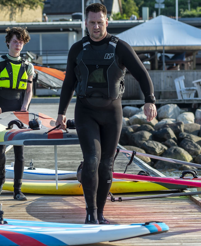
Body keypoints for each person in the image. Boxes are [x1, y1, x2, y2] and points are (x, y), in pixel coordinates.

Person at [56, 3, 157, 224]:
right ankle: (90, 214)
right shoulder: (77, 49)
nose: (96, 27)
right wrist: (61, 113)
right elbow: (69, 83)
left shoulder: (119, 47)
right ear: (86, 23)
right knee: (91, 160)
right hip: (85, 111)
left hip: (112, 113)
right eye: (92, 22)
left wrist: (149, 100)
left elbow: (141, 73)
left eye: (100, 22)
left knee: (106, 165)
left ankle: (100, 214)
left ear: (106, 22)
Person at [0, 27, 35, 201]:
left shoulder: (28, 66)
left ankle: (17, 189)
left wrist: (24, 106)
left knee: (19, 151)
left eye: (21, 42)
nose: (18, 44)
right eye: (15, 41)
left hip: (18, 108)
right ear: (8, 42)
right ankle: (0, 179)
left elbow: (29, 91)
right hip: (0, 106)